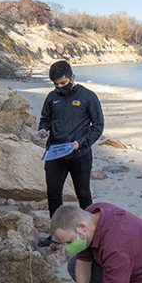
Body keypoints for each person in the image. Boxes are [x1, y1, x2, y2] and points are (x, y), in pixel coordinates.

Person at [38, 60, 104, 247]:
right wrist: (43, 129)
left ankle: (92, 235)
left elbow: (98, 127)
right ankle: (56, 236)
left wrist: (81, 143)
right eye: (56, 84)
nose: (60, 87)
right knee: (53, 195)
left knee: (83, 195)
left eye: (63, 83)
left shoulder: (88, 97)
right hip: (55, 155)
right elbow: (45, 120)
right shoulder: (52, 98)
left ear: (72, 77)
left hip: (80, 154)